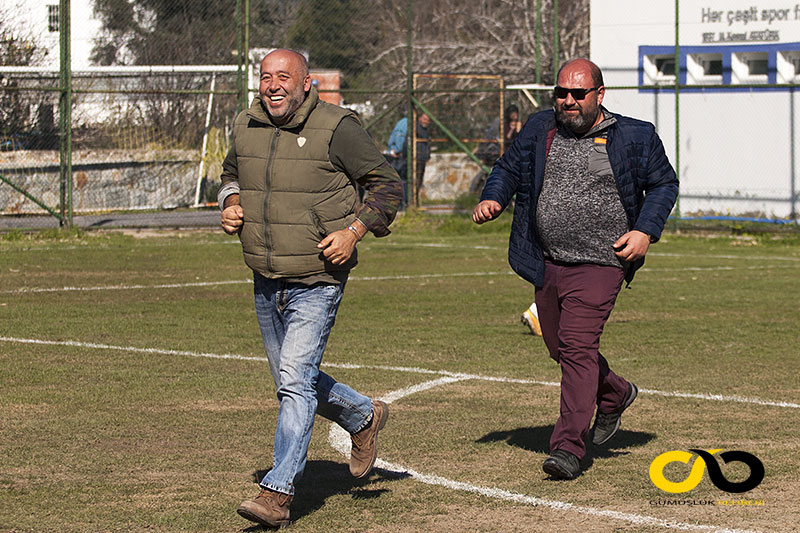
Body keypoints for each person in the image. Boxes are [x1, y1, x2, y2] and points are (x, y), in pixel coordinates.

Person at [218, 49, 403, 527]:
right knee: (292, 380)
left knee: (295, 383)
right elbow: (230, 174)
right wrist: (231, 202)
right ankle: (363, 415)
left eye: (284, 77)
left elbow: (387, 186)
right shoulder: (245, 124)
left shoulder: (338, 127)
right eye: (265, 77)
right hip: (265, 274)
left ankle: (277, 491)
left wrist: (353, 232)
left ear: (305, 84)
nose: (273, 85)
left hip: (318, 277)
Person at [473, 58, 678, 480]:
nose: (568, 101)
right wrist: (495, 197)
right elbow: (508, 167)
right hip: (547, 259)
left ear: (599, 95)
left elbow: (663, 184)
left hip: (603, 262)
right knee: (559, 349)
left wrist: (644, 232)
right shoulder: (538, 128)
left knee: (577, 347)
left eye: (577, 94)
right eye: (561, 93)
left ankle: (568, 446)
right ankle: (616, 393)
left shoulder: (635, 136)